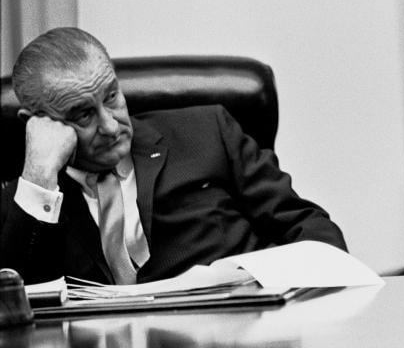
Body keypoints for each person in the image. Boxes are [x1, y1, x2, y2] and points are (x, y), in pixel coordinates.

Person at [0, 27, 347, 284]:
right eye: (82, 115)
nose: (109, 125)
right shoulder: (23, 202)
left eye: (111, 97)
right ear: (37, 124)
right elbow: (12, 307)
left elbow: (313, 230)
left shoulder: (207, 133)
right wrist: (39, 177)